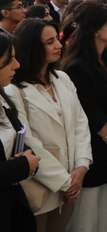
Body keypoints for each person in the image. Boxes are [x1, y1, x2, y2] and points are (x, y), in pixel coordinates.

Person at [8, 19, 92, 231]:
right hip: (40, 185)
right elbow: (27, 141)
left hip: (70, 179)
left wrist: (82, 166)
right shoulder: (15, 90)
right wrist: (65, 182)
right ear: (32, 48)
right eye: (49, 41)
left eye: (57, 39)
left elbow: (80, 124)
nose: (59, 45)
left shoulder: (62, 78)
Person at [61, 0, 107, 232]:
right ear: (94, 29)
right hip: (93, 150)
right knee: (88, 217)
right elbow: (89, 111)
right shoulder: (77, 67)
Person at [0, 32, 39, 232]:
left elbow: (17, 136)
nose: (16, 65)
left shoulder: (3, 99)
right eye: (9, 60)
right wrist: (22, 165)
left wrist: (27, 155)